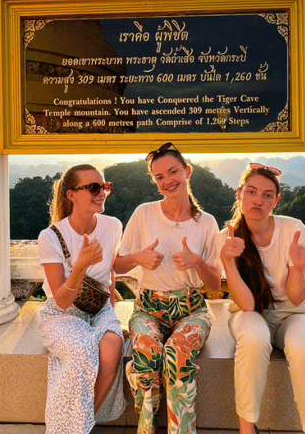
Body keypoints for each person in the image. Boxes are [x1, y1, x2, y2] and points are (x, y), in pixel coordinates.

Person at [114, 142, 222, 434]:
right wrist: (139, 258)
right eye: (159, 177)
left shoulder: (206, 223)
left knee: (177, 351)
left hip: (191, 309)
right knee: (149, 351)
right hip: (148, 307)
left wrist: (197, 261)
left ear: (187, 171)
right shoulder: (144, 214)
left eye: (173, 172)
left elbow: (214, 285)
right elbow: (117, 265)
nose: (167, 181)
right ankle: (146, 427)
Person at [217, 163, 305, 434]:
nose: (259, 200)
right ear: (239, 194)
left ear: (276, 201)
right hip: (250, 312)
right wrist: (228, 262)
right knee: (254, 339)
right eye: (252, 192)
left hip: (294, 312)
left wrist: (299, 267)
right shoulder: (228, 237)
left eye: (267, 195)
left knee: (304, 349)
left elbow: (298, 298)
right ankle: (246, 427)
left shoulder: (293, 230)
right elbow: (248, 305)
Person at [37, 164, 125, 434]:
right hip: (63, 313)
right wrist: (81, 265)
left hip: (99, 310)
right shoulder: (50, 237)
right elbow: (61, 300)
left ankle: (78, 425)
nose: (102, 193)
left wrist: (112, 313)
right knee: (83, 350)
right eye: (94, 188)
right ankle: (72, 429)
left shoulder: (112, 225)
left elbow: (109, 273)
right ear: (71, 195)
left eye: (104, 187)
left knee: (112, 347)